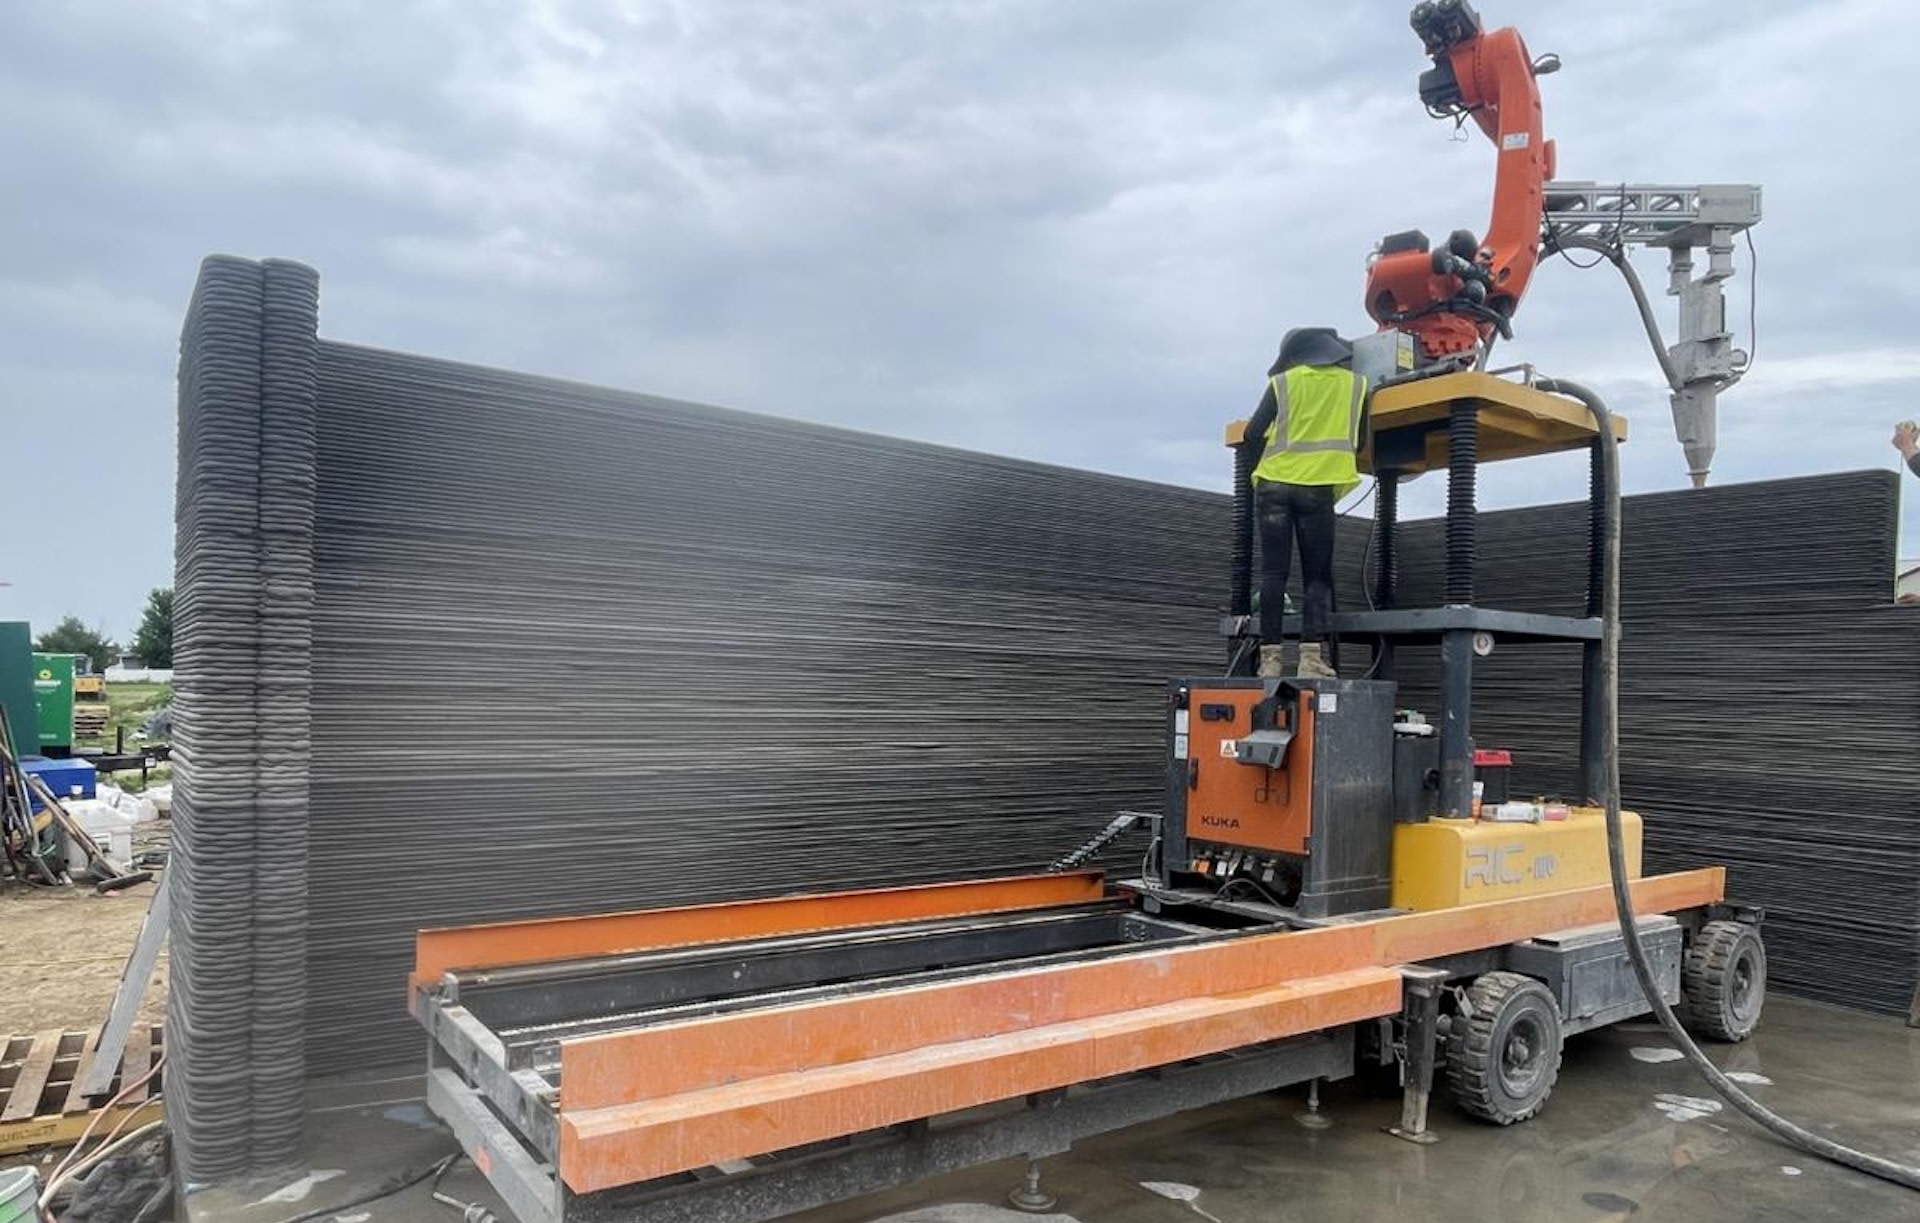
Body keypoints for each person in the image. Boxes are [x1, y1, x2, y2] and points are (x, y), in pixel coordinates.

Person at [1242, 327, 1368, 679]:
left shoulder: (1284, 382)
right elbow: (1360, 444)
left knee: (1273, 573)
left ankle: (1270, 660)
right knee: (1317, 577)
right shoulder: (1356, 386)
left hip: (1274, 486)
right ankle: (1311, 659)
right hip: (1318, 490)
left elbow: (1252, 433)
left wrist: (1269, 463)